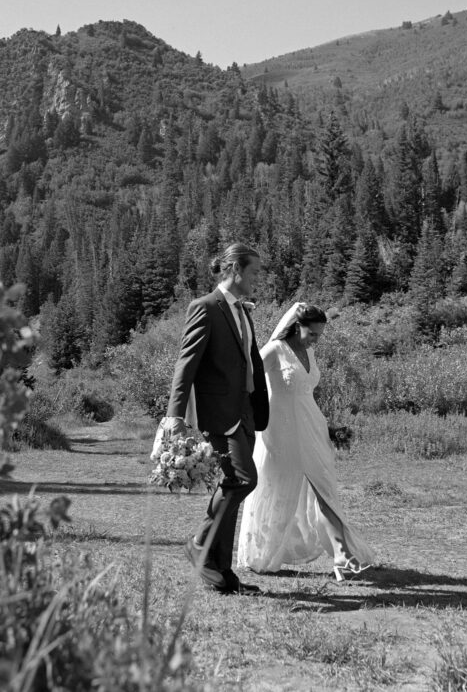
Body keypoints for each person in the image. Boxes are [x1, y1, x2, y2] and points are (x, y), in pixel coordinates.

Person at [237, 303, 377, 581]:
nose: (315, 340)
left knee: (323, 487)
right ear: (296, 326)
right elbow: (247, 378)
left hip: (312, 424)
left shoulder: (310, 352)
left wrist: (329, 427)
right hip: (281, 428)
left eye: (319, 335)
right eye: (312, 334)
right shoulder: (275, 351)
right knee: (279, 486)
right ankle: (264, 551)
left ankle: (341, 554)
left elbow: (306, 392)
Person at [162, 243, 270, 595]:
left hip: (245, 413)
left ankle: (221, 575)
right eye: (253, 272)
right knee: (242, 480)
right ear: (235, 270)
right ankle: (199, 546)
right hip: (218, 413)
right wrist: (174, 416)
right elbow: (186, 364)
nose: (257, 279)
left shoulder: (242, 310)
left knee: (234, 485)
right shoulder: (205, 308)